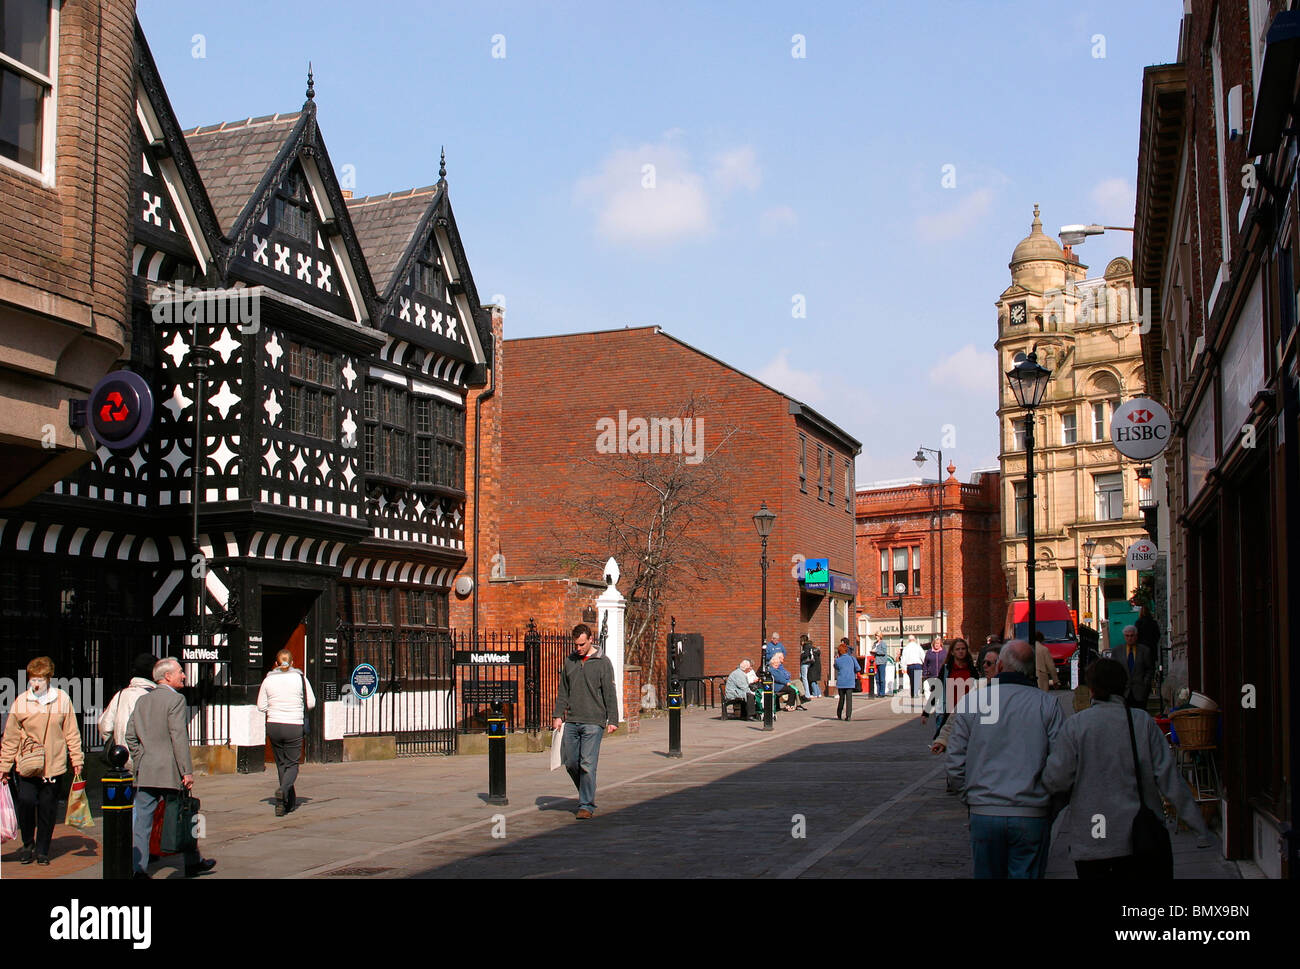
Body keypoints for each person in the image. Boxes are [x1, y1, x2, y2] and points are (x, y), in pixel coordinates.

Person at [1043, 657, 1210, 878]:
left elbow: (1056, 779)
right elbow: (1169, 779)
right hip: (1139, 838)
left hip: (1092, 840)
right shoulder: (1141, 722)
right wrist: (1199, 828)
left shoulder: (1076, 726)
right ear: (1124, 686)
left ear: (1092, 689)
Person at [945, 640, 1064, 879]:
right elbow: (1061, 763)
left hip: (985, 809)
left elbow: (955, 758)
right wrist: (1048, 800)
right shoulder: (1047, 704)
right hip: (1031, 811)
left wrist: (970, 797)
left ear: (999, 666)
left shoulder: (973, 702)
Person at [126, 658, 216, 878]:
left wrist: (141, 758)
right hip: (170, 771)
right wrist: (186, 771)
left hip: (145, 771)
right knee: (184, 816)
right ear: (167, 676)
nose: (183, 675)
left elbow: (130, 736)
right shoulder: (175, 700)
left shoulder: (142, 701)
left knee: (142, 823)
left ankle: (139, 869)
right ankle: (193, 862)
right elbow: (178, 736)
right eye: (179, 672)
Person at [0, 657, 84, 866]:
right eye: (32, 679)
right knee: (26, 802)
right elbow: (10, 737)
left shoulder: (62, 699)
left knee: (47, 808)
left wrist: (77, 758)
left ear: (49, 678)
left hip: (53, 765)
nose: (35, 683)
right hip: (28, 764)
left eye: (40, 679)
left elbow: (71, 731)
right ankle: (28, 843)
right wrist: (4, 766)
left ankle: (43, 849)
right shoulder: (21, 701)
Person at [552, 623, 620, 819]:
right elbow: (563, 691)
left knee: (587, 764)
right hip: (572, 720)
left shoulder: (603, 662)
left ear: (591, 639)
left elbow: (609, 692)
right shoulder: (570, 661)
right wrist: (558, 715)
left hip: (593, 721)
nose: (578, 648)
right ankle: (586, 792)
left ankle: (586, 805)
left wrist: (612, 719)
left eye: (582, 644)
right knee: (571, 763)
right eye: (576, 645)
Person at [257, 649, 317, 816]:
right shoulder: (300, 678)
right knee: (292, 765)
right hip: (293, 725)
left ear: (276, 663)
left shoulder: (268, 680)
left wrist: (275, 708)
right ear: (292, 663)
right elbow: (311, 703)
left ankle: (284, 805)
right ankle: (283, 790)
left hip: (274, 725)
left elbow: (261, 706)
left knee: (281, 764)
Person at [932, 642, 999, 755]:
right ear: (952, 652)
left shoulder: (972, 671)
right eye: (983, 663)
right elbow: (955, 716)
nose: (984, 666)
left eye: (989, 663)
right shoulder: (947, 669)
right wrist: (942, 739)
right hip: (952, 708)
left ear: (1001, 665)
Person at [98, 652, 158, 772]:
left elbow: (105, 726)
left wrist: (117, 742)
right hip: (147, 762)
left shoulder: (121, 695)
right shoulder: (154, 697)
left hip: (121, 759)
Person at [933, 638, 976, 739]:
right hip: (950, 712)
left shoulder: (971, 669)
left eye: (963, 648)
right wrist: (926, 712)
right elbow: (938, 688)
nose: (961, 651)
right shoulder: (947, 669)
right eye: (957, 649)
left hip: (968, 713)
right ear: (952, 652)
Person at [1112, 625, 1154, 710]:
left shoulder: (1144, 650)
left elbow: (1149, 669)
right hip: (1123, 692)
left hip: (1139, 691)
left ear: (1136, 636)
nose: (1129, 638)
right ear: (1124, 636)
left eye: (1132, 635)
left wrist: (1145, 684)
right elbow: (1114, 669)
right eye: (1127, 636)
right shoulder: (1117, 651)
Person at [921, 638, 947, 724]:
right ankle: (934, 707)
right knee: (932, 692)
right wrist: (925, 673)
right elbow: (925, 664)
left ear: (941, 644)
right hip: (931, 675)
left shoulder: (944, 652)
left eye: (938, 643)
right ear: (933, 644)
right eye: (935, 643)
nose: (937, 645)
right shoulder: (929, 652)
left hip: (941, 675)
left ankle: (938, 709)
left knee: (939, 693)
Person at [833, 640, 861, 720]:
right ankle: (848, 716)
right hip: (850, 681)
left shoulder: (838, 660)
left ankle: (839, 714)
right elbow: (858, 668)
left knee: (841, 699)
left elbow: (836, 667)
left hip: (841, 682)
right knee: (849, 699)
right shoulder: (852, 658)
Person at [901, 635, 925, 700]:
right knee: (917, 680)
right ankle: (916, 693)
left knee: (912, 680)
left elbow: (903, 658)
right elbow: (923, 656)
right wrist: (925, 664)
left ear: (908, 640)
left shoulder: (906, 648)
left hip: (910, 666)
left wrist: (903, 667)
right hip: (918, 665)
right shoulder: (918, 647)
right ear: (914, 639)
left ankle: (912, 693)